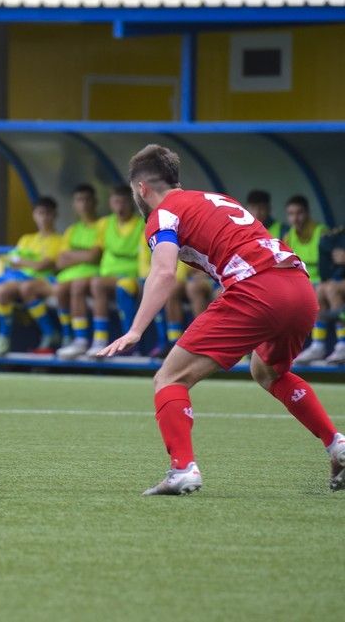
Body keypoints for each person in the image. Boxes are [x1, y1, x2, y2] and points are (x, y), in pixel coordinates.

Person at [98, 144, 344, 495]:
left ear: (141, 189)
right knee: (268, 371)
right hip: (300, 288)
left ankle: (182, 469)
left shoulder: (163, 214)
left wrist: (136, 330)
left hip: (257, 288)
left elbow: (164, 272)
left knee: (169, 378)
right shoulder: (215, 199)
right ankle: (336, 443)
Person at [0, 197, 61, 356]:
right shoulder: (26, 239)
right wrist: (29, 262)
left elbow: (43, 265)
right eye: (40, 213)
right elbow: (11, 261)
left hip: (42, 281)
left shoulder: (59, 240)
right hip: (17, 279)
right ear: (34, 215)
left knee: (20, 288)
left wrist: (22, 261)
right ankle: (2, 337)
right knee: (0, 290)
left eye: (48, 213)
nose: (44, 217)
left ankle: (49, 333)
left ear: (55, 215)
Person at [86, 184, 143, 356]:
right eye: (116, 201)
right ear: (111, 203)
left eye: (124, 201)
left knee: (121, 287)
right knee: (95, 284)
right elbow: (95, 251)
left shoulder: (142, 224)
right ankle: (99, 340)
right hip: (107, 277)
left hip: (131, 277)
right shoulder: (105, 224)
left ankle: (131, 345)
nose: (120, 206)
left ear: (132, 203)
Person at [54, 184, 102, 359]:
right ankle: (68, 336)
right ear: (74, 204)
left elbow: (94, 257)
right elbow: (59, 261)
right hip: (68, 276)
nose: (83, 204)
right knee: (59, 289)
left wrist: (71, 256)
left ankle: (81, 340)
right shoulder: (71, 230)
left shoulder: (101, 226)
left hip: (92, 275)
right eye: (79, 200)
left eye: (87, 199)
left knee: (77, 286)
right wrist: (83, 255)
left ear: (95, 202)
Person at [283, 195, 329, 364]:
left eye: (299, 213)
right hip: (300, 283)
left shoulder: (321, 232)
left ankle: (318, 346)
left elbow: (329, 263)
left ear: (308, 213)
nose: (295, 218)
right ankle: (279, 350)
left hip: (322, 282)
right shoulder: (289, 236)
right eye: (291, 214)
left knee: (318, 293)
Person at [318, 227, 345, 364]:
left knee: (332, 288)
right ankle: (318, 345)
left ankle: (342, 344)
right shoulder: (339, 235)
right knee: (322, 288)